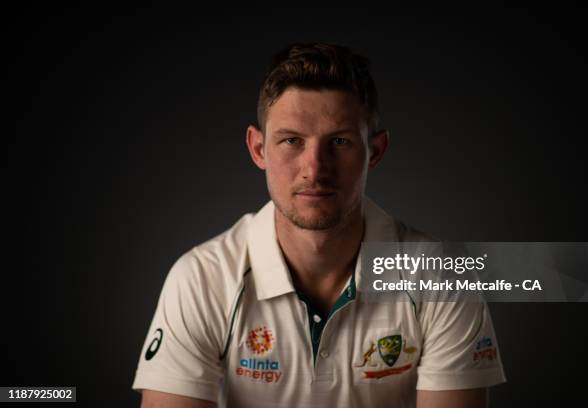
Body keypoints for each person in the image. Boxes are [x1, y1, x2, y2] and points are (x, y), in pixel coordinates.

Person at [132, 42, 506, 407]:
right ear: (258, 149)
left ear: (374, 151)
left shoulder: (441, 276)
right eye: (292, 140)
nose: (315, 169)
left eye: (339, 142)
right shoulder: (202, 279)